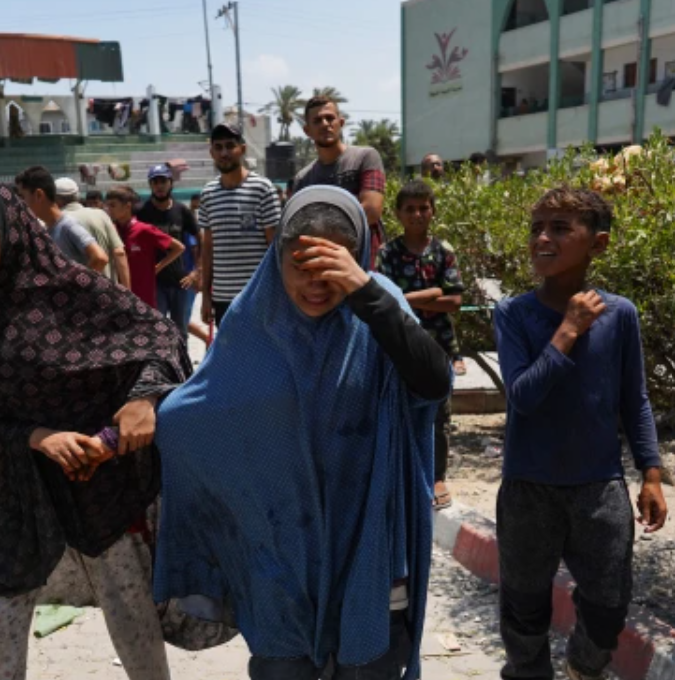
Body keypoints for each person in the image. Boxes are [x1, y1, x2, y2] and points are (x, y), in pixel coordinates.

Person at [154, 185, 450, 680]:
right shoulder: (255, 317)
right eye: (301, 266)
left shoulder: (379, 305)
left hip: (370, 547)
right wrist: (146, 408)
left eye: (331, 267)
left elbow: (434, 383)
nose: (316, 284)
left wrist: (364, 291)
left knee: (369, 666)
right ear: (278, 258)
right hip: (279, 558)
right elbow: (202, 412)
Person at [0, 174, 190, 680]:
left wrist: (142, 398)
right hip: (21, 496)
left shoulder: (72, 290)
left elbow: (159, 338)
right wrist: (38, 438)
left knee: (130, 617)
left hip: (100, 487)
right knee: (0, 623)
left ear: (9, 223)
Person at [493, 187, 667, 680]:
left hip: (598, 485)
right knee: (524, 609)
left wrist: (651, 473)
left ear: (598, 243)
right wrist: (567, 330)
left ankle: (582, 668)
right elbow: (524, 397)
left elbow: (634, 399)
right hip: (529, 487)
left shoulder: (620, 315)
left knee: (608, 605)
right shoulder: (514, 314)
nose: (542, 238)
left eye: (560, 228)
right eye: (536, 229)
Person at [377, 180, 464, 511]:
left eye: (423, 208)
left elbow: (454, 301)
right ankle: (401, 472)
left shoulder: (443, 252)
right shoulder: (388, 254)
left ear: (433, 211)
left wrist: (406, 298)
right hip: (398, 344)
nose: (417, 214)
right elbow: (384, 299)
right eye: (410, 209)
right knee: (398, 408)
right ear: (398, 213)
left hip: (437, 346)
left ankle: (437, 476)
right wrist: (431, 294)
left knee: (439, 414)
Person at [199, 122, 282, 327]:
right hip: (222, 299)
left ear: (242, 149)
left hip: (258, 296)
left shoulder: (262, 188)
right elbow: (208, 249)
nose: (224, 153)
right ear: (211, 153)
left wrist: (279, 294)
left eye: (230, 146)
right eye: (218, 147)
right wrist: (206, 295)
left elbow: (276, 247)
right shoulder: (208, 194)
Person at [294, 95, 386, 267]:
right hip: (322, 269)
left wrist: (321, 227)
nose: (325, 124)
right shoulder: (303, 179)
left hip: (364, 266)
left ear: (341, 123)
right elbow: (299, 227)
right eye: (317, 120)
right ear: (307, 130)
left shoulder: (365, 157)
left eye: (330, 118)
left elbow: (371, 211)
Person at [136, 164, 199, 336]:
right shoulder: (141, 212)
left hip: (180, 281)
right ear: (150, 185)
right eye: (155, 182)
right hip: (153, 282)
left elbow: (201, 240)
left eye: (163, 181)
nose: (159, 186)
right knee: (157, 331)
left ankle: (181, 356)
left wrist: (196, 272)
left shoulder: (181, 211)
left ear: (171, 183)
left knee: (181, 332)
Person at [15, 166, 109, 272]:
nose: (19, 203)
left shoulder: (68, 225)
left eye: (22, 197)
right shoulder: (45, 229)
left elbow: (100, 258)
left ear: (39, 195)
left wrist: (79, 280)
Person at [106, 185, 185, 309]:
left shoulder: (144, 230)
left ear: (127, 206)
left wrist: (158, 267)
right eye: (107, 205)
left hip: (143, 298)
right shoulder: (111, 230)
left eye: (113, 205)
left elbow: (179, 248)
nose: (108, 209)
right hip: (117, 297)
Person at [55, 177, 131, 287]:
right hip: (108, 291)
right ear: (77, 196)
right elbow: (119, 253)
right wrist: (127, 291)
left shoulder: (51, 223)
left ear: (55, 199)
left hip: (72, 293)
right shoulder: (101, 215)